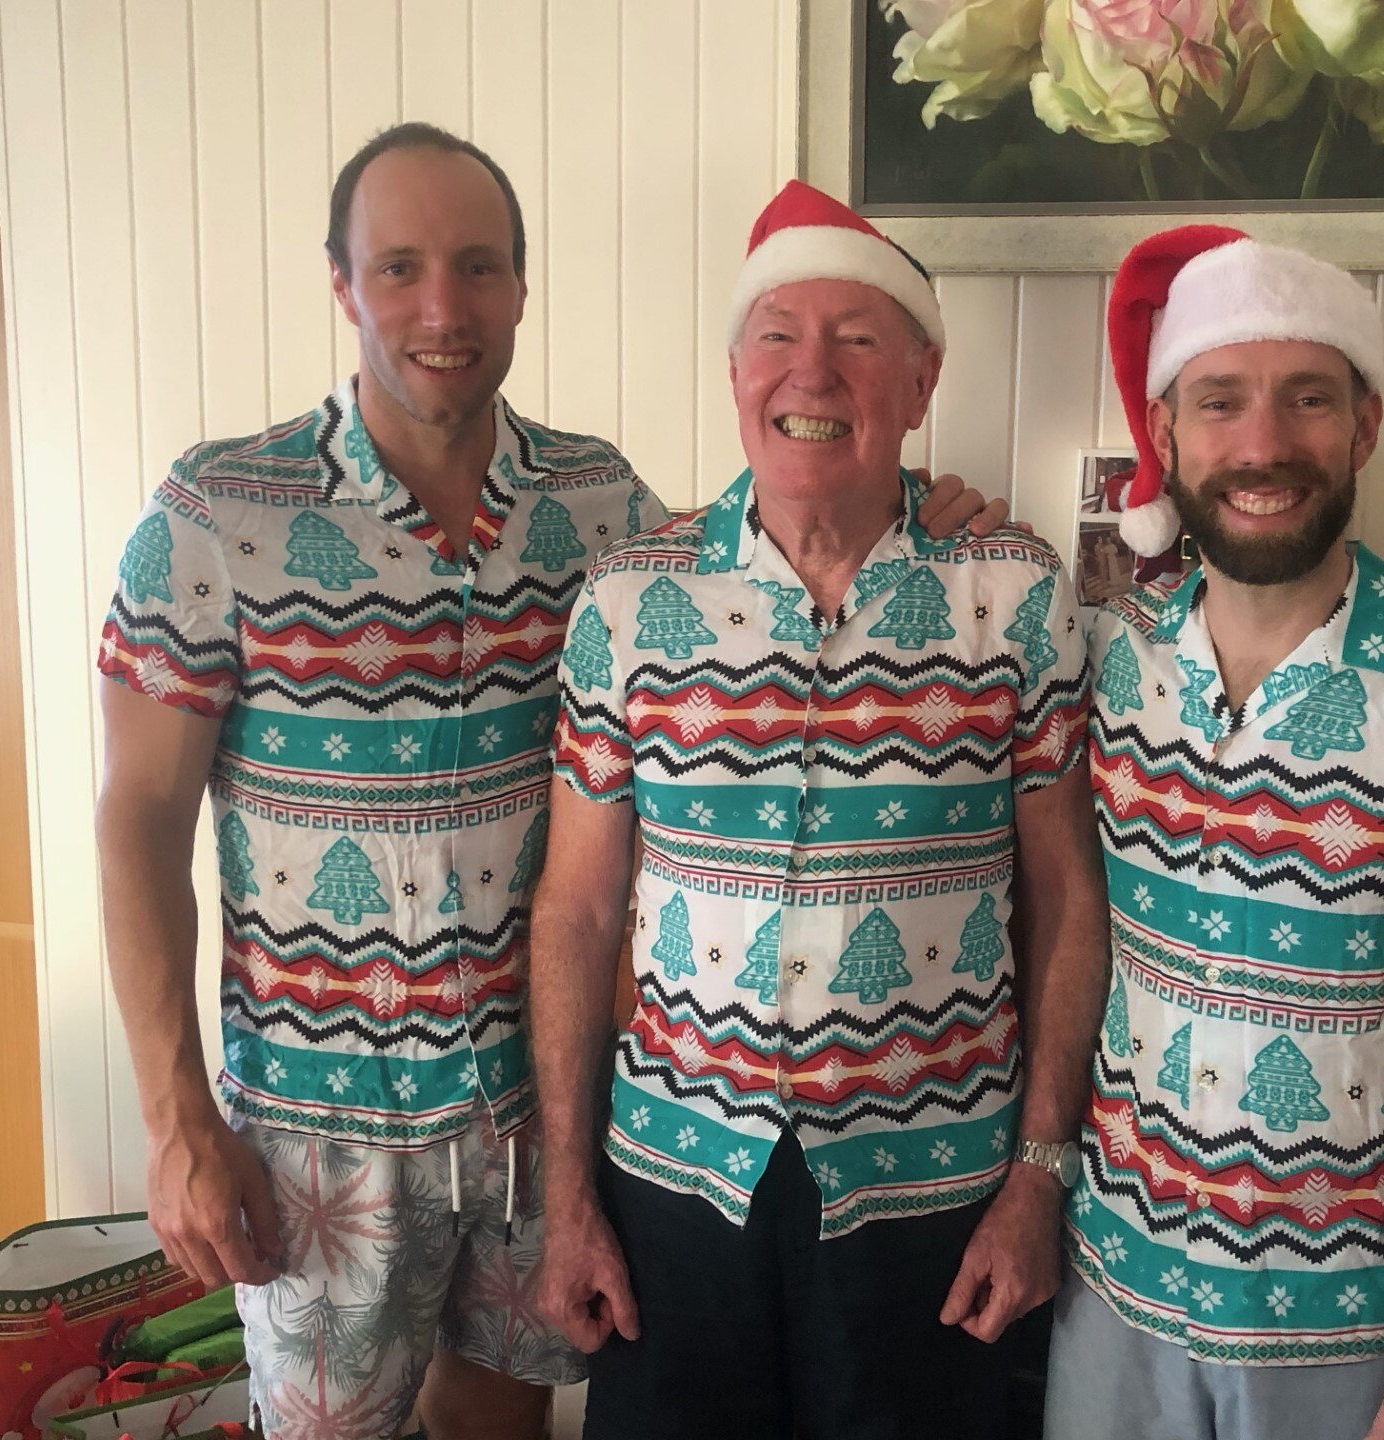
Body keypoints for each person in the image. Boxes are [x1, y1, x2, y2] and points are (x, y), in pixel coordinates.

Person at [92, 126, 999, 1439]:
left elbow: (767, 552)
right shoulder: (215, 513)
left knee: (505, 1427)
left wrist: (921, 511)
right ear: (341, 282)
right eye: (399, 268)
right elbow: (135, 821)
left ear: (522, 284)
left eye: (477, 266)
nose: (442, 308)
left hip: (534, 1117)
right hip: (319, 1136)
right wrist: (175, 1115)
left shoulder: (601, 506)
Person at [528, 180, 1110, 1440]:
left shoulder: (1013, 596)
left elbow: (1069, 897)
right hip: (675, 1187)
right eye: (779, 335)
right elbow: (575, 909)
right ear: (736, 371)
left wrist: (1039, 1178)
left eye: (857, 338)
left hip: (937, 1197)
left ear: (922, 381)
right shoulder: (628, 600)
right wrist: (566, 1197)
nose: (813, 371)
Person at [1043, 226, 1384, 1440]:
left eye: (1307, 397)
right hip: (1112, 1306)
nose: (1263, 445)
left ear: (1365, 426)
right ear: (1167, 432)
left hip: (1370, 1340)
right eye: (1221, 401)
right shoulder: (1109, 656)